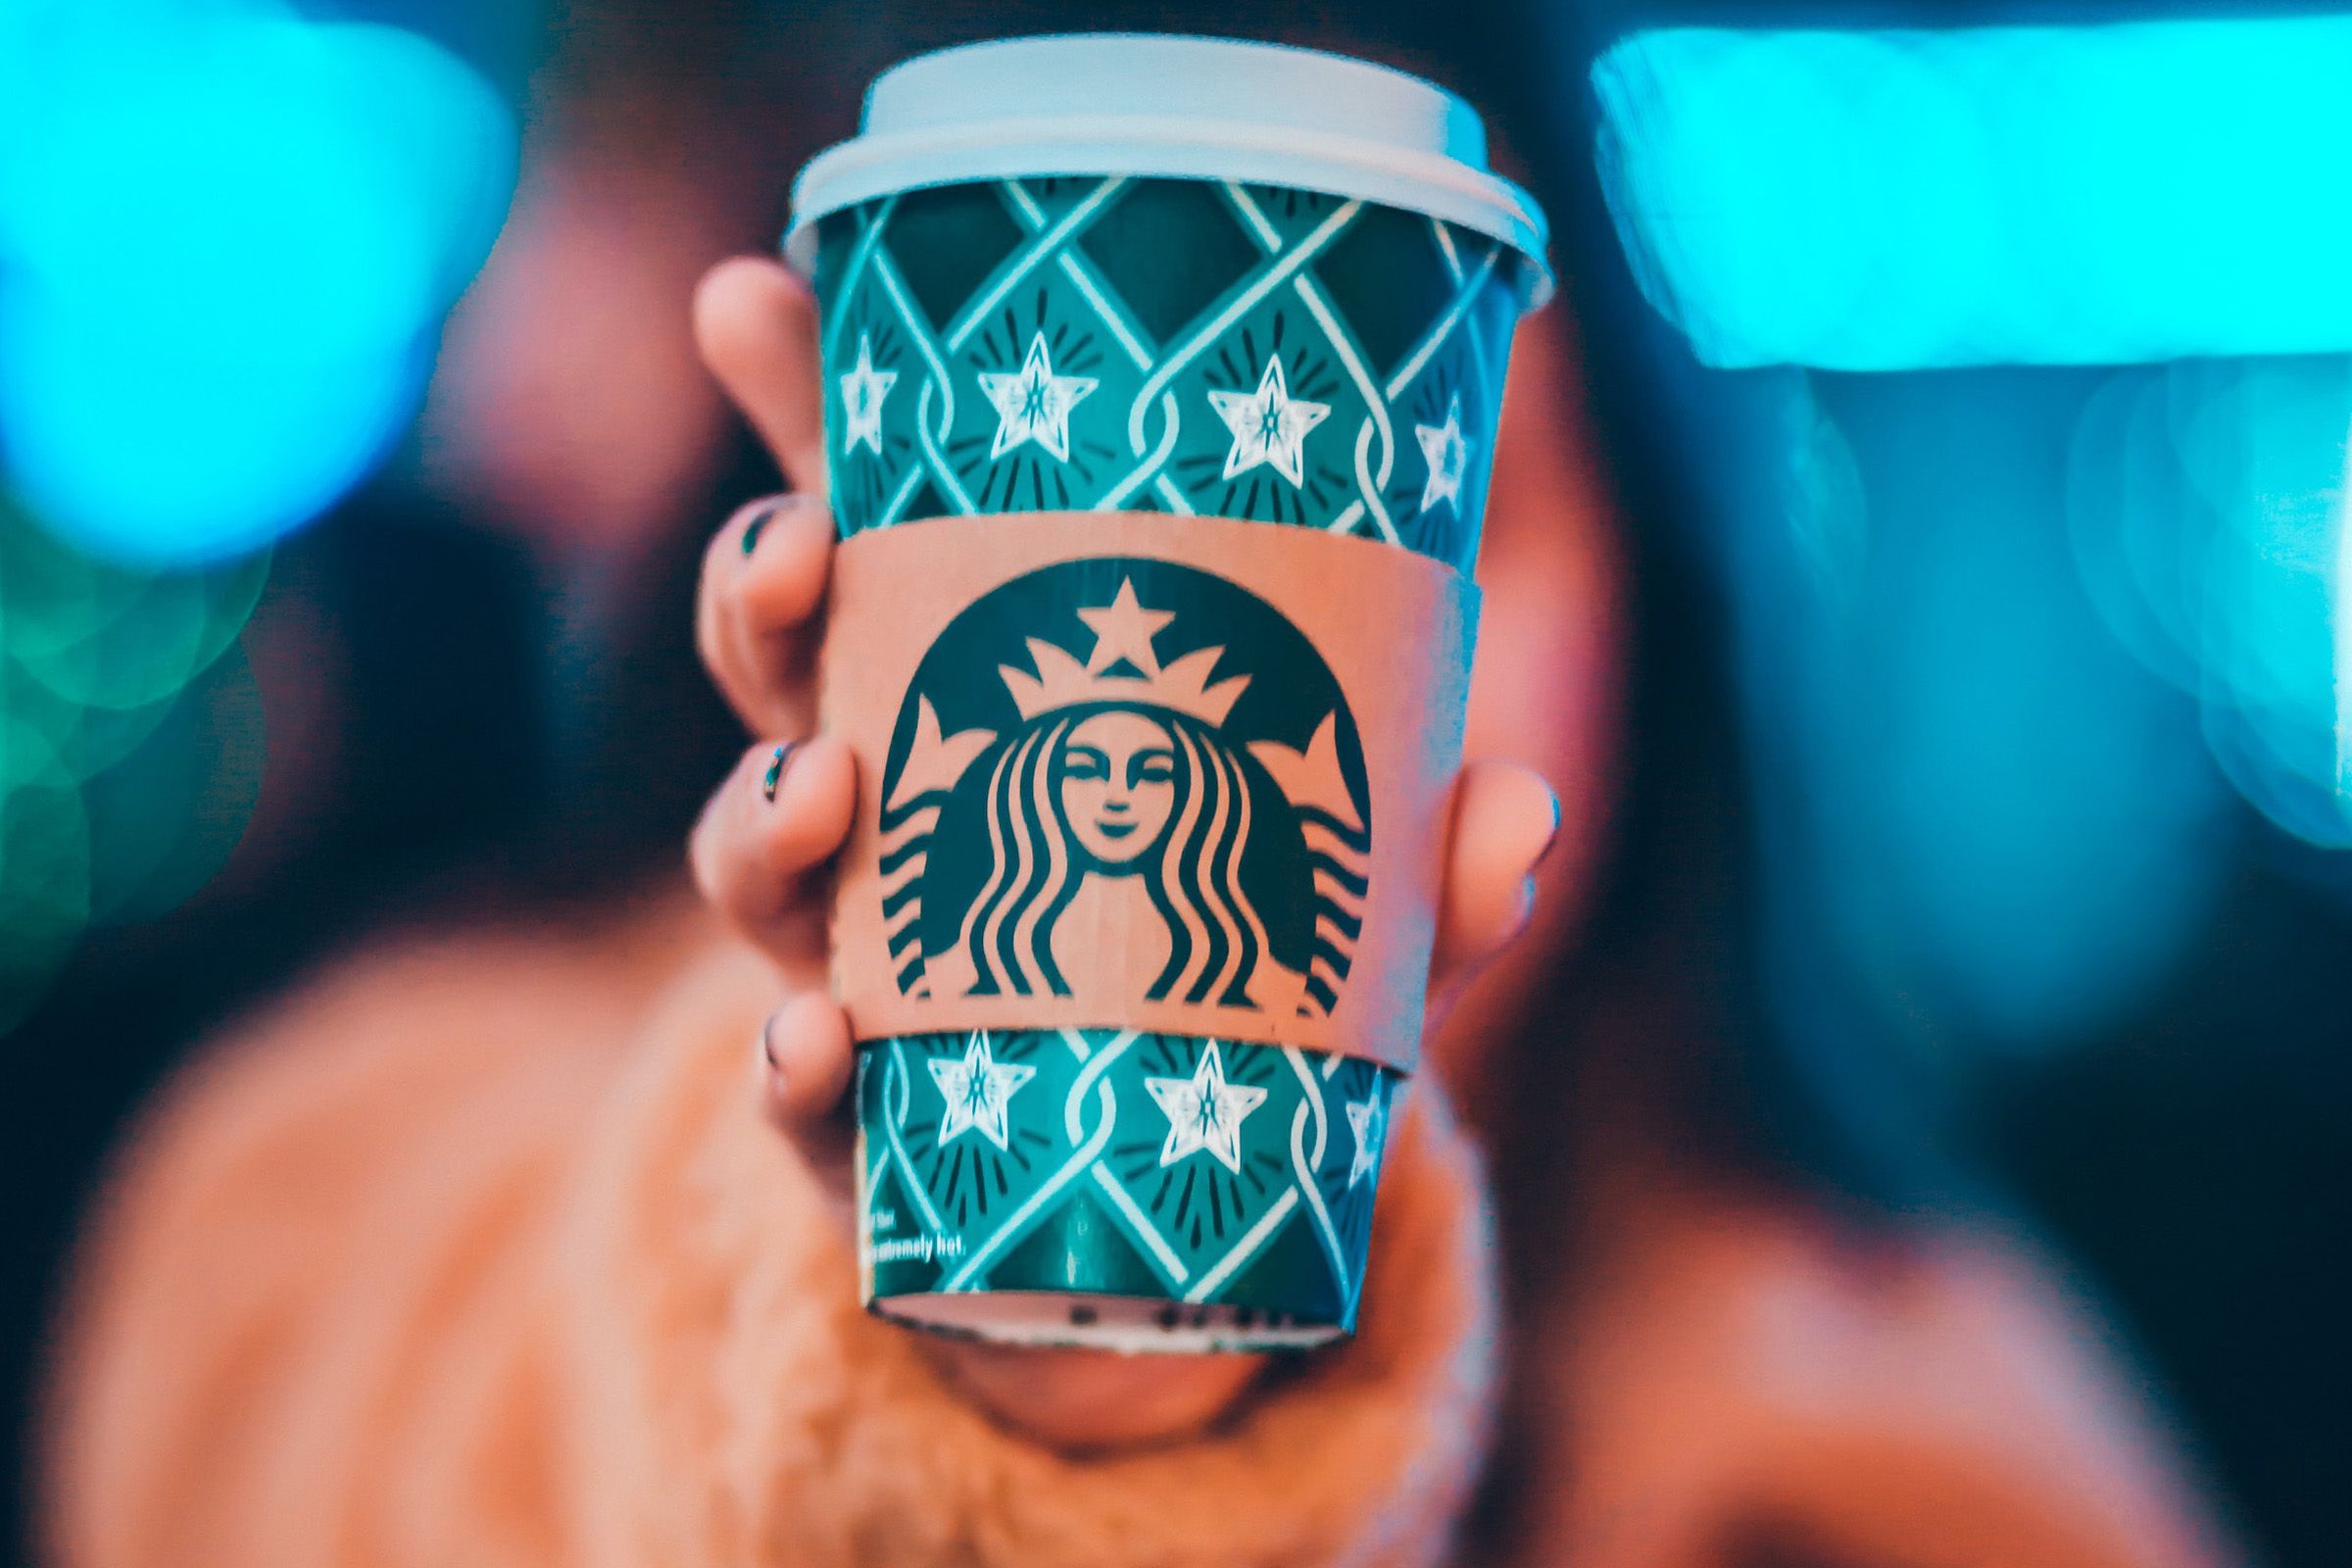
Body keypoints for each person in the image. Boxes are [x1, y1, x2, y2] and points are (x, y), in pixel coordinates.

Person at [34, 13, 2251, 1568]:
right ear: (833, 551)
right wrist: (940, 1370)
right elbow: (318, 1466)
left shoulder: (1902, 1444)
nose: (1151, 719)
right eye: (1106, 519)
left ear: (1661, 606)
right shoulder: (368, 1178)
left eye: (1455, 518)